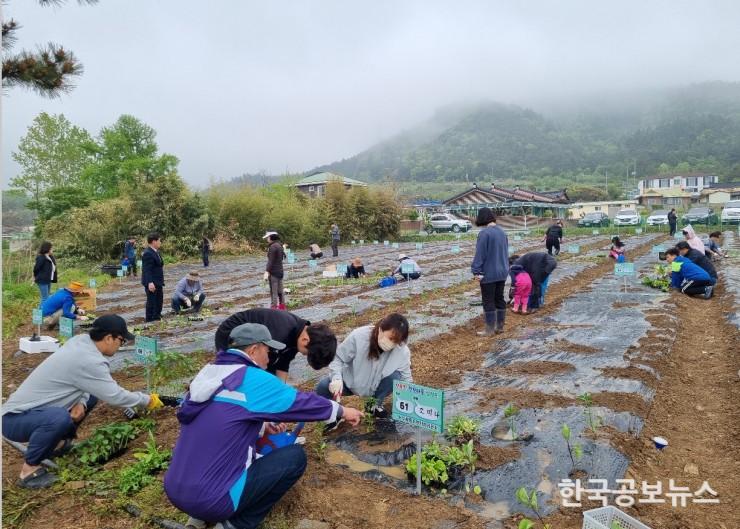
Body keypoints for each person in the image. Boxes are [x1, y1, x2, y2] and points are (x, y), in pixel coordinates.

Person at [164, 323, 363, 529]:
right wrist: (342, 411)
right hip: (213, 500)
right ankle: (234, 525)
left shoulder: (209, 374)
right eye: (267, 351)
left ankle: (196, 520)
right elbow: (298, 402)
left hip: (175, 491)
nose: (269, 359)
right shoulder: (250, 378)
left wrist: (260, 427)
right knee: (294, 458)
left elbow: (223, 416)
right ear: (253, 350)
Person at [2, 315, 163, 488]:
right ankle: (29, 471)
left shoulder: (81, 342)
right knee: (59, 418)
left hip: (32, 412)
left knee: (90, 397)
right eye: (121, 341)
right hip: (13, 419)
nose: (121, 345)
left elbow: (81, 381)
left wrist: (82, 401)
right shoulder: (90, 360)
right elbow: (115, 396)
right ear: (109, 338)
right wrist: (147, 400)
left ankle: (56, 445)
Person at [316, 313, 411, 423]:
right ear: (380, 329)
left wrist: (411, 399)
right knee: (323, 387)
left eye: (396, 341)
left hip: (375, 386)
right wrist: (336, 378)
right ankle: (336, 414)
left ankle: (373, 406)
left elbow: (406, 376)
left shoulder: (402, 351)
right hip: (351, 382)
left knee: (396, 377)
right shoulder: (359, 336)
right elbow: (338, 358)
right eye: (390, 338)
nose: (391, 344)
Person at [214, 308, 337, 382]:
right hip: (230, 334)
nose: (304, 354)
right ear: (305, 340)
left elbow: (283, 364)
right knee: (241, 374)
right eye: (307, 353)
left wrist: (281, 392)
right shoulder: (281, 332)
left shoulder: (298, 334)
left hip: (257, 342)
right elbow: (262, 366)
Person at [471, 207, 509, 335]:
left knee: (488, 301)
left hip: (489, 273)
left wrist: (476, 271)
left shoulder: (485, 233)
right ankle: (500, 327)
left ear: (482, 218)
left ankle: (489, 330)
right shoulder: (502, 232)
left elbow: (480, 254)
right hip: (502, 271)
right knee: (499, 298)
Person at [141, 232, 165, 322]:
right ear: (154, 241)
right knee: (151, 302)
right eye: (159, 241)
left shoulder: (156, 252)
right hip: (152, 283)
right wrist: (150, 282)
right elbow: (147, 269)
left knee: (159, 301)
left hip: (158, 281)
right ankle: (150, 319)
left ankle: (157, 316)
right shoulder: (148, 253)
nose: (160, 242)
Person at [263, 231, 285, 310]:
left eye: (268, 237)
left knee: (273, 292)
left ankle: (274, 309)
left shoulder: (272, 247)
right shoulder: (279, 245)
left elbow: (271, 261)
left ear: (271, 237)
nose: (267, 239)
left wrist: (266, 272)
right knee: (280, 292)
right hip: (280, 271)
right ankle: (282, 308)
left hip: (274, 273)